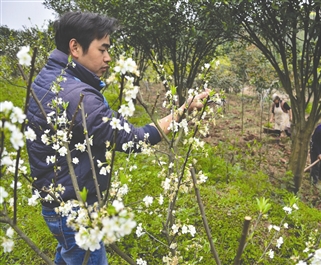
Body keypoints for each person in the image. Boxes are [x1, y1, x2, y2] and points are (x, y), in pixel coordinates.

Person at [26, 12, 209, 265]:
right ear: (75, 47)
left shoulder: (49, 77)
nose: (108, 58)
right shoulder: (78, 97)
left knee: (68, 254)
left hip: (58, 200)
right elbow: (133, 139)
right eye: (103, 49)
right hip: (75, 210)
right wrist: (180, 113)